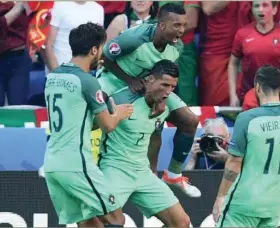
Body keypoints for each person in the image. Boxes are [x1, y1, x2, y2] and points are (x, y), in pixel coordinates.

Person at [99, 3, 201, 198]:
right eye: (177, 25)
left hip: (146, 85)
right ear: (162, 26)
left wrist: (161, 98)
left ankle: (172, 174)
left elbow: (165, 75)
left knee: (189, 121)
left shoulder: (177, 47)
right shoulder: (135, 38)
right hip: (113, 81)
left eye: (184, 25)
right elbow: (105, 57)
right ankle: (65, 161)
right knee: (93, 113)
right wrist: (129, 80)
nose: (182, 30)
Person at [43, 22, 133, 227]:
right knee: (115, 218)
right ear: (94, 49)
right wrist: (118, 113)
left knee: (88, 224)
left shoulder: (53, 76)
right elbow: (108, 126)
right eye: (101, 48)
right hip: (76, 164)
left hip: (52, 164)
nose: (101, 54)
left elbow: (76, 121)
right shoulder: (88, 81)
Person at [98, 60, 191, 228]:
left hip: (142, 171)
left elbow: (155, 135)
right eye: (164, 85)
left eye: (172, 87)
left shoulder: (165, 106)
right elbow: (92, 126)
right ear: (149, 80)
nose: (168, 91)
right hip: (115, 168)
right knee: (110, 222)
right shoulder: (120, 99)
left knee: (181, 222)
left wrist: (153, 169)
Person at [212, 65, 280, 227]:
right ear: (279, 86)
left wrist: (221, 196)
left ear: (258, 87)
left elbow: (234, 163)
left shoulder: (247, 118)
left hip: (244, 203)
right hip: (273, 205)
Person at [229, 0, 280, 108]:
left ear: (274, 9)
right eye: (256, 6)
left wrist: (273, 90)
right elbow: (233, 64)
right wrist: (232, 95)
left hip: (278, 97)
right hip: (249, 95)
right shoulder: (242, 34)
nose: (260, 9)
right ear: (252, 10)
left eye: (265, 5)